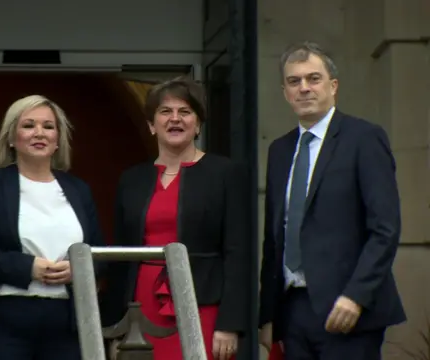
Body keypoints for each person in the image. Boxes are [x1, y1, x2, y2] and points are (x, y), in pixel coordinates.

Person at [258, 41, 406, 360]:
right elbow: (274, 240)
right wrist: (268, 314)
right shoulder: (279, 151)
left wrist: (356, 296)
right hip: (293, 311)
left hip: (348, 311)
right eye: (294, 81)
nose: (304, 88)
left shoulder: (363, 139)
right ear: (285, 91)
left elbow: (385, 228)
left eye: (314, 78)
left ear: (333, 86)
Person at [99, 77, 251, 360]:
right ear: (151, 125)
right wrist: (113, 328)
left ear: (198, 124)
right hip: (140, 305)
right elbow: (119, 260)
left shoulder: (226, 174)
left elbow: (238, 253)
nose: (175, 119)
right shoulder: (131, 179)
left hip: (203, 303)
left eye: (185, 112)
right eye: (165, 112)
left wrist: (230, 324)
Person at [0, 95, 106, 360]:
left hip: (67, 318)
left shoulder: (79, 190)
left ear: (58, 139)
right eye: (29, 125)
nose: (39, 133)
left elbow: (100, 255)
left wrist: (78, 269)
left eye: (48, 126)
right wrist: (27, 267)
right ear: (11, 137)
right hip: (5, 316)